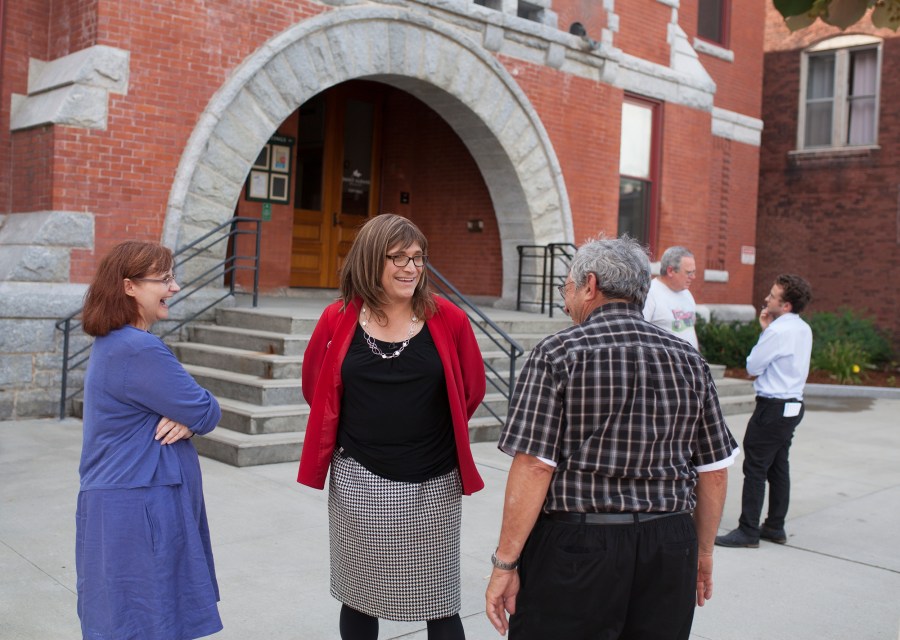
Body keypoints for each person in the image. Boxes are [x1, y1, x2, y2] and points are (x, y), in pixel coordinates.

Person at [484, 236, 739, 639]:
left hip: (579, 546)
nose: (565, 300)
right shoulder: (690, 360)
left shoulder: (558, 353)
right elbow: (715, 470)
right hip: (669, 542)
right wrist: (703, 552)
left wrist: (505, 563)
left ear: (589, 284)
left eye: (565, 287)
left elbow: (534, 465)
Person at [297, 214, 486, 640]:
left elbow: (470, 390)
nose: (411, 268)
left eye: (418, 258)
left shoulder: (450, 318)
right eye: (397, 257)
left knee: (440, 601)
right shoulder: (338, 317)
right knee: (359, 595)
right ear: (369, 260)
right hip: (358, 477)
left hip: (434, 478)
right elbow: (317, 386)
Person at [76, 241, 223, 639]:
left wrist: (187, 419)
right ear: (128, 287)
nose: (174, 288)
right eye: (164, 279)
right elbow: (207, 411)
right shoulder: (139, 349)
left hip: (128, 501)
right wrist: (193, 417)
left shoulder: (115, 344)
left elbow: (193, 412)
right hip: (140, 509)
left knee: (125, 619)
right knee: (147, 622)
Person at [715, 274, 813, 549]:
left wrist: (764, 331)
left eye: (773, 296)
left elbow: (752, 367)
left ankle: (748, 531)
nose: (766, 299)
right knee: (779, 465)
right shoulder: (803, 329)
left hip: (772, 408)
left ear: (786, 306)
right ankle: (774, 526)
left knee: (756, 467)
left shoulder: (778, 331)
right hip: (793, 406)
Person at [642, 245, 699, 348]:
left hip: (690, 363)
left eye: (694, 272)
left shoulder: (687, 293)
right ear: (670, 271)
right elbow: (640, 333)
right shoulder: (650, 293)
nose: (693, 277)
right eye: (688, 272)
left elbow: (690, 331)